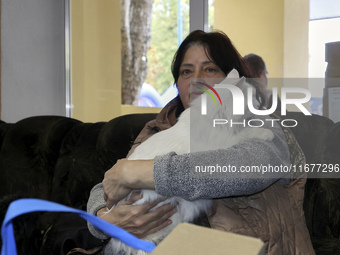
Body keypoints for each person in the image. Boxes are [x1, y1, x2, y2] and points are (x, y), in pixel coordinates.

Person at [87, 30, 315, 254]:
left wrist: (132, 172)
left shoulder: (264, 128)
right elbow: (106, 184)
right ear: (178, 83)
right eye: (186, 72)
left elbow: (238, 168)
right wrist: (105, 220)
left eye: (209, 69)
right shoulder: (157, 129)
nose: (196, 80)